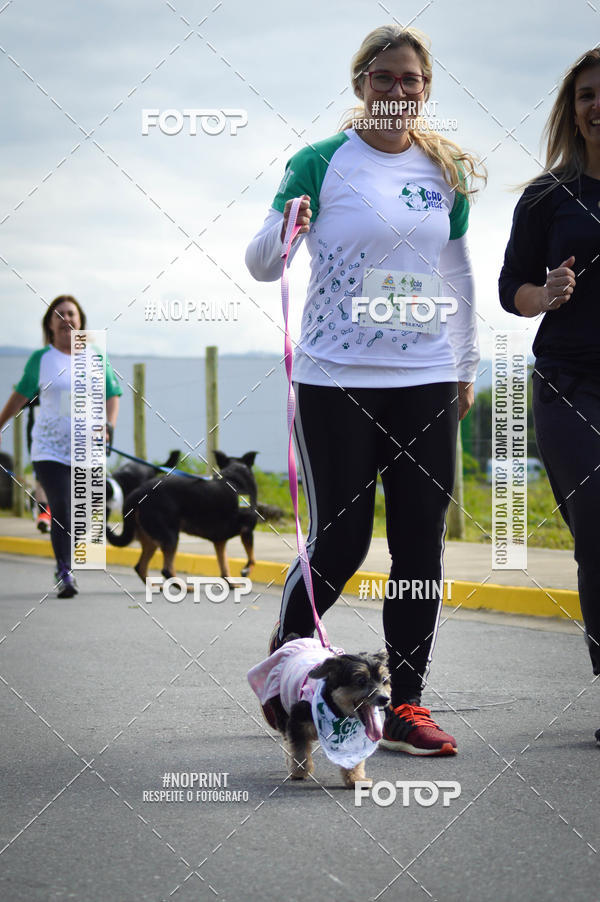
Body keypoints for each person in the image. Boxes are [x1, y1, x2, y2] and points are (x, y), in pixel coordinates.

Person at [246, 25, 485, 755]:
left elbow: (457, 274)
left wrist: (466, 367)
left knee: (420, 545)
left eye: (411, 80)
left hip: (425, 379)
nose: (398, 91)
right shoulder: (320, 163)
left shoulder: (442, 169)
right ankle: (285, 670)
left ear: (426, 88)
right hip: (335, 378)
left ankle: (406, 704)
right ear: (362, 86)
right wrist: (288, 226)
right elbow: (262, 263)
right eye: (385, 79)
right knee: (342, 539)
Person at [499, 49, 600, 745]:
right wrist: (547, 294)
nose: (599, 105)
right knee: (597, 533)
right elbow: (513, 289)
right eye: (588, 94)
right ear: (575, 108)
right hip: (571, 384)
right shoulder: (546, 197)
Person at [0, 295, 122, 597]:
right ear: (50, 324)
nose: (66, 318)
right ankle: (64, 570)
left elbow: (112, 393)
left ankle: (69, 552)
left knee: (88, 511)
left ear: (80, 321)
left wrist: (109, 426)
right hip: (49, 449)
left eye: (72, 314)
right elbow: (20, 396)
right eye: (59, 315)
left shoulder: (96, 356)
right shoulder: (41, 359)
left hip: (88, 447)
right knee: (63, 508)